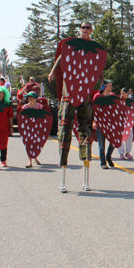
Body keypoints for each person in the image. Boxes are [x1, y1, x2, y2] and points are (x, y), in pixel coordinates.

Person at [47, 21, 101, 192]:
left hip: (84, 94)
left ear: (91, 30)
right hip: (68, 93)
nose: (85, 30)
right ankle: (63, 179)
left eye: (88, 28)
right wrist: (52, 72)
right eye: (83, 28)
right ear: (80, 30)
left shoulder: (94, 47)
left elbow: (98, 66)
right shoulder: (71, 44)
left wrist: (99, 81)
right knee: (65, 130)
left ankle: (86, 180)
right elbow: (61, 58)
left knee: (85, 131)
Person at [93, 80, 117, 169]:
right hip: (100, 123)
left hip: (111, 124)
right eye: (109, 86)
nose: (111, 87)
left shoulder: (113, 96)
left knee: (114, 142)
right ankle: (103, 162)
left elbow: (117, 109)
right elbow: (94, 110)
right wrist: (94, 121)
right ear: (104, 86)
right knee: (101, 145)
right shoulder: (97, 96)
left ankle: (108, 156)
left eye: (111, 85)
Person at [20, 92, 45, 168]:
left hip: (36, 127)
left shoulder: (39, 106)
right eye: (29, 97)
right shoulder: (25, 107)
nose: (30, 98)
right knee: (28, 143)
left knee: (36, 143)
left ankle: (36, 158)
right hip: (28, 127)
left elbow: (42, 116)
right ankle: (29, 160)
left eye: (31, 97)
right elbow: (22, 117)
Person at [117, 88, 134, 161]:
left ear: (127, 93)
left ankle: (128, 152)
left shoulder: (131, 101)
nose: (122, 94)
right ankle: (121, 153)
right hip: (120, 121)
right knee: (120, 137)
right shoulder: (118, 101)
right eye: (121, 93)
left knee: (129, 137)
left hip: (128, 121)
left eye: (123, 93)